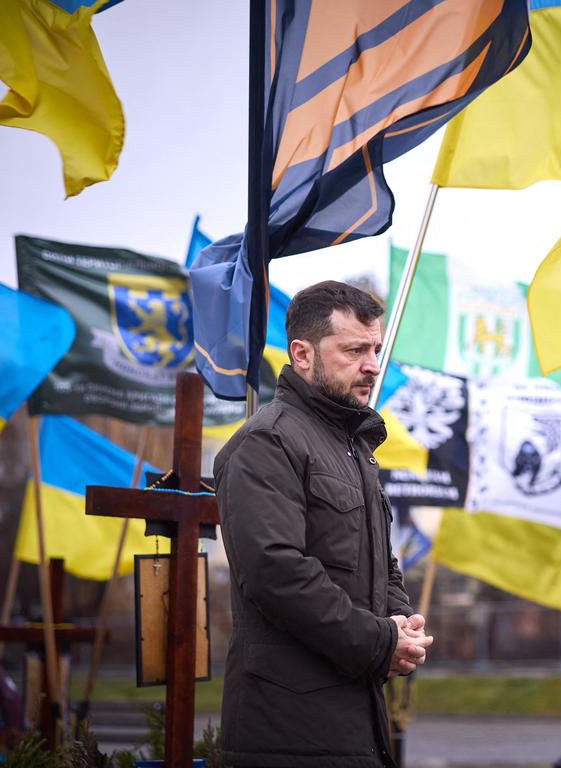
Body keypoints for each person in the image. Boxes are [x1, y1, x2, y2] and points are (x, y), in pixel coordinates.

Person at [214, 280, 433, 767]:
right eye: (354, 349)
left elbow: (380, 563)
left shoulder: (354, 448)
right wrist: (380, 643)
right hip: (288, 735)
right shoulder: (266, 444)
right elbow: (277, 572)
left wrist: (402, 623)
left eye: (375, 349)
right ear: (302, 354)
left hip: (355, 723)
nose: (373, 365)